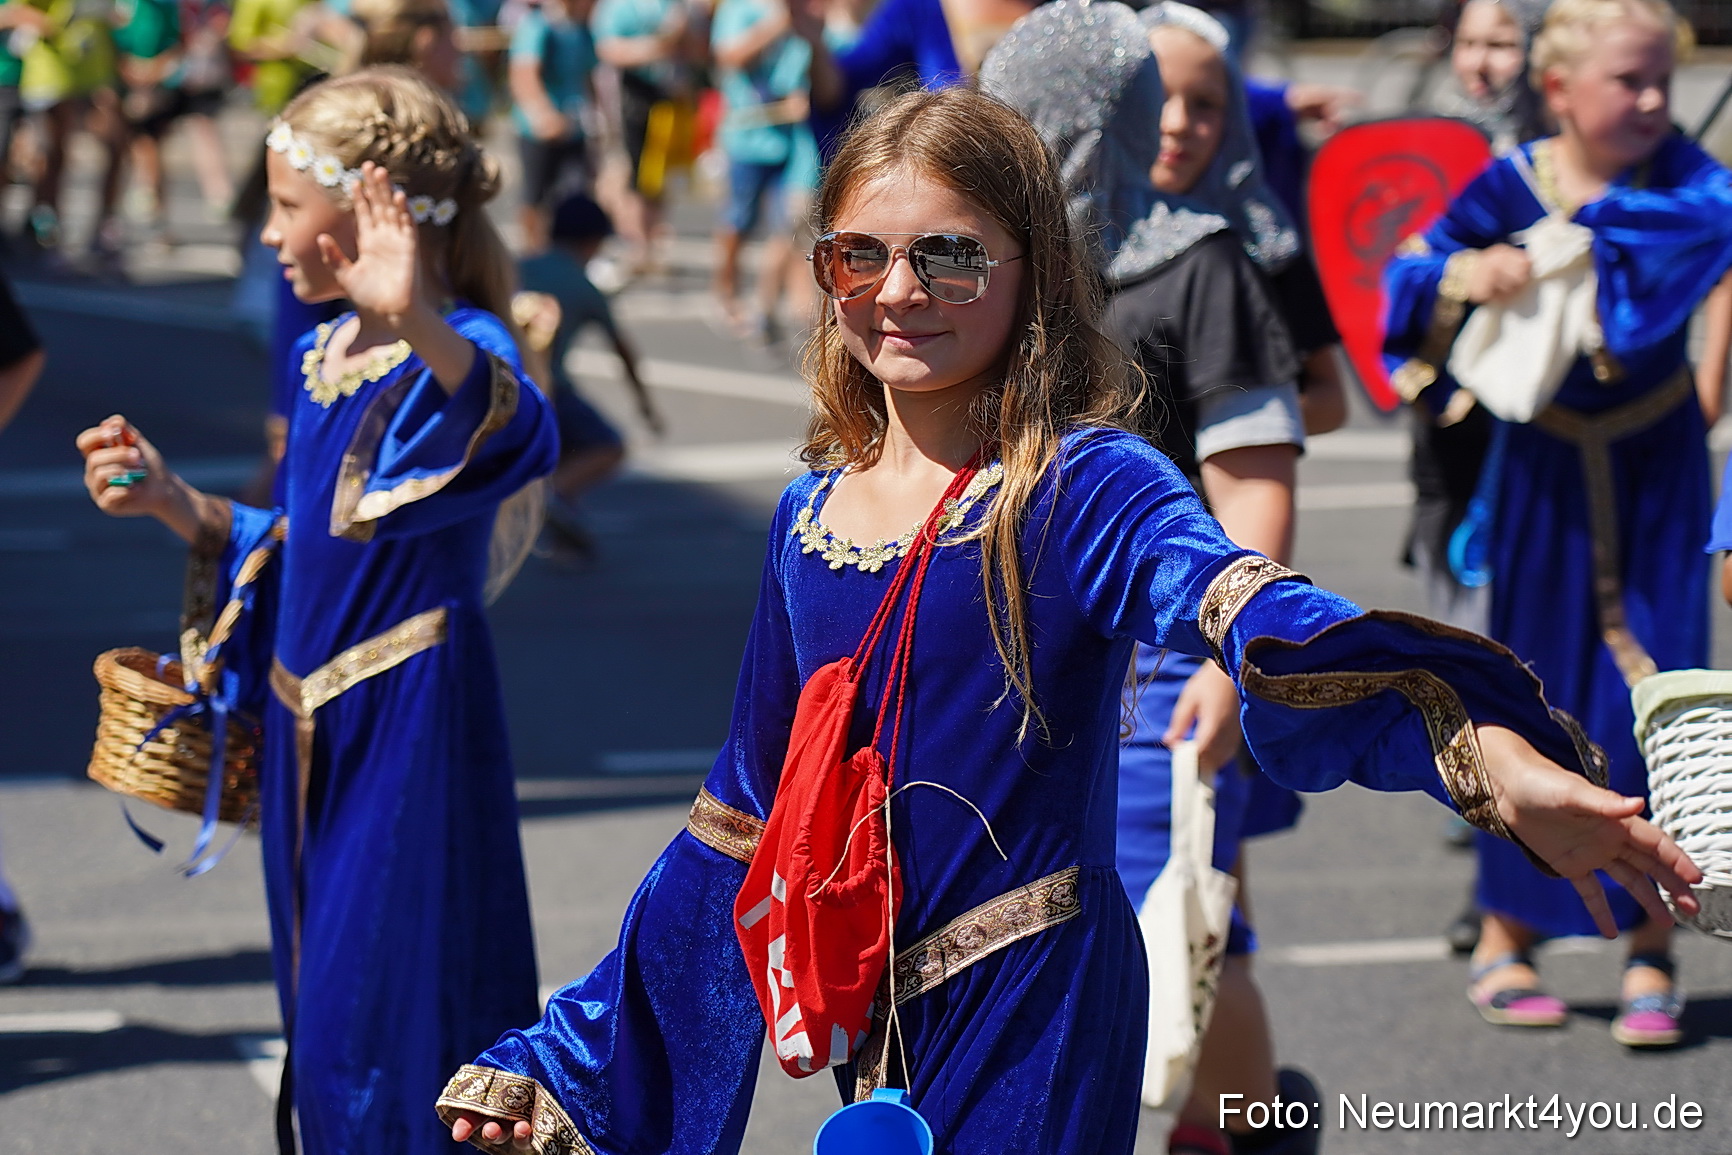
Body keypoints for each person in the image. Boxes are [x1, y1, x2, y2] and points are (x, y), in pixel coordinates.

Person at [440, 42, 1700, 1155]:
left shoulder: (1079, 484)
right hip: (873, 1014)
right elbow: (739, 817)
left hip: (1034, 996)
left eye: (945, 255)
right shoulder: (808, 514)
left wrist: (1485, 756)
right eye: (856, 256)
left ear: (1032, 268)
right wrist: (578, 1059)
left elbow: (1247, 607)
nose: (897, 291)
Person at [76, 67, 556, 1153]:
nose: (268, 236)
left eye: (287, 207)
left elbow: (515, 425)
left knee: (388, 1010)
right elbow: (301, 551)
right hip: (310, 730)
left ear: (375, 206)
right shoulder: (317, 351)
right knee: (323, 1010)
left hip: (404, 730)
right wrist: (172, 500)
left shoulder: (459, 345)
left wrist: (412, 315)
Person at [986, 6, 1325, 1153]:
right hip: (1021, 655)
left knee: (1159, 928)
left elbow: (1253, 481)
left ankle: (1232, 1130)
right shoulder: (999, 274)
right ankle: (1244, 1121)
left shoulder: (1199, 264)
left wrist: (1241, 663)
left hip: (1166, 666)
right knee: (1100, 931)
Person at [1384, 0, 1732, 1049]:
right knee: (1523, 691)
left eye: (1661, 82)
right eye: (1627, 82)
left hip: (1656, 459)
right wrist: (1466, 273)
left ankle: (1653, 945)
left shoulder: (1691, 188)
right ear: (1559, 89)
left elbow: (1711, 253)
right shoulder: (1514, 182)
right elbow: (1405, 274)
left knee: (1662, 694)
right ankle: (1504, 935)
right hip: (1539, 464)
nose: (1652, 101)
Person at [518, 191, 663, 554]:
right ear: (593, 241)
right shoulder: (582, 286)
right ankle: (554, 495)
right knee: (606, 446)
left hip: (504, 379)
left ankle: (561, 523)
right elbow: (621, 348)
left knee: (558, 450)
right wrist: (645, 404)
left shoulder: (520, 266)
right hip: (548, 387)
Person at [709, 0, 811, 342]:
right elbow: (730, 57)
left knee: (791, 226)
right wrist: (776, 25)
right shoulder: (738, 9)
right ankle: (726, 292)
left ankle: (795, 310)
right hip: (748, 139)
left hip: (792, 140)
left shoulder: (800, 9)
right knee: (739, 221)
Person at [507, 0, 597, 251]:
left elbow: (588, 75)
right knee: (536, 195)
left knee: (576, 192)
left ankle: (568, 252)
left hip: (575, 126)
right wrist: (542, 115)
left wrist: (597, 118)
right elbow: (524, 74)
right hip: (538, 131)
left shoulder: (579, 29)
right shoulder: (537, 26)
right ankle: (534, 252)